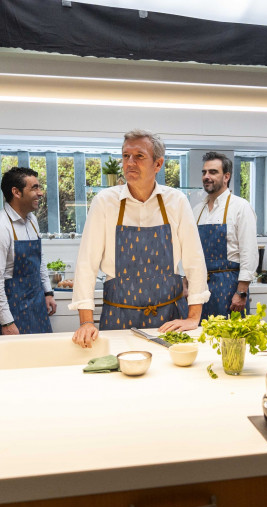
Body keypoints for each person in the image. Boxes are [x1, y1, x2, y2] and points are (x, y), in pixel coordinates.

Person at [70, 129, 209, 348]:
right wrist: (86, 321)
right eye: (126, 156)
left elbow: (194, 261)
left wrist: (193, 317)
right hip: (118, 317)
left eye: (139, 156)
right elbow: (87, 264)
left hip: (169, 318)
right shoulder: (105, 202)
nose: (130, 162)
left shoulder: (176, 201)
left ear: (158, 164)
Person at [0, 166, 56, 335]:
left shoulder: (32, 220)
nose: (40, 193)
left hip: (37, 305)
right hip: (11, 310)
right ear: (16, 192)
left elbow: (39, 260)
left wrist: (48, 292)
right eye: (34, 188)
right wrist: (6, 321)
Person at [192, 151, 258, 319]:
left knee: (230, 340)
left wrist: (241, 292)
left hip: (229, 285)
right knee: (200, 337)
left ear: (226, 176)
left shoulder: (241, 207)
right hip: (200, 288)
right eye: (204, 172)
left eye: (213, 172)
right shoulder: (197, 210)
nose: (207, 176)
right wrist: (186, 282)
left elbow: (248, 252)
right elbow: (191, 251)